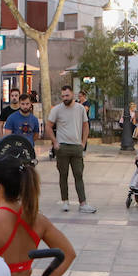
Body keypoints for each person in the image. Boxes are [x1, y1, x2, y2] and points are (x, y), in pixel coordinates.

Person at [47, 84, 94, 213]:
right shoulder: (57, 109)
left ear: (72, 94)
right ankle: (65, 201)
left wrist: (83, 143)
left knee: (78, 174)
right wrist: (55, 142)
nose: (65, 98)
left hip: (76, 147)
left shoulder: (80, 109)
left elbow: (85, 126)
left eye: (67, 95)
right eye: (63, 96)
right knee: (63, 175)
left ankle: (83, 203)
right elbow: (48, 126)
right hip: (62, 147)